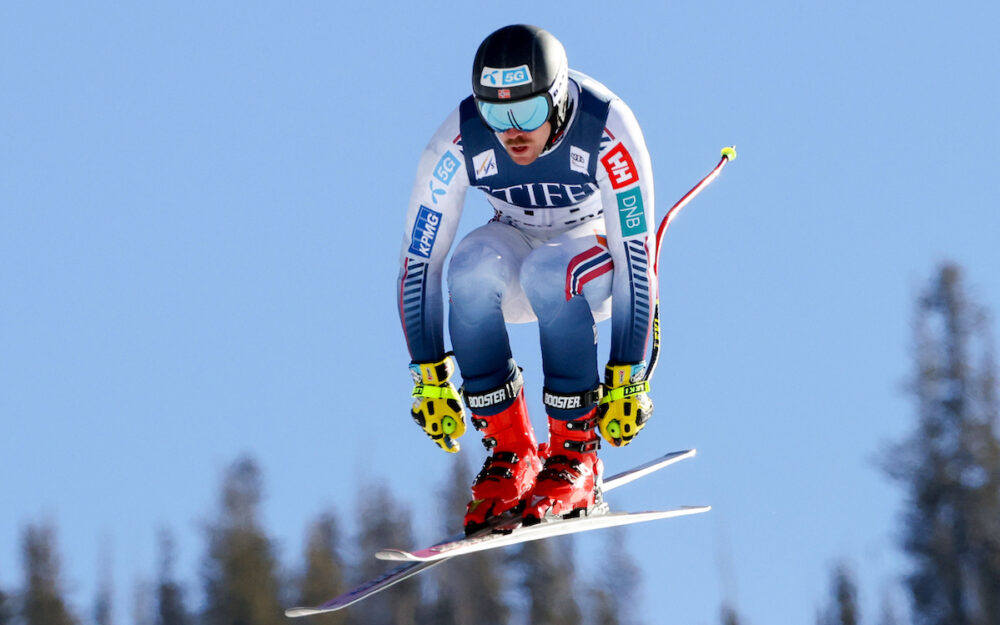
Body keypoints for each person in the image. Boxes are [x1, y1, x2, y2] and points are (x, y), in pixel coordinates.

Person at [398, 24, 656, 534]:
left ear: (557, 102)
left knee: (550, 271)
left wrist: (627, 375)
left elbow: (637, 260)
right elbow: (419, 260)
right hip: (516, 239)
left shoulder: (607, 127)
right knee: (469, 272)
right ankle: (513, 453)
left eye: (528, 113)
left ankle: (575, 454)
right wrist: (428, 373)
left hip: (595, 256)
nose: (512, 131)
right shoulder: (460, 138)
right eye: (496, 114)